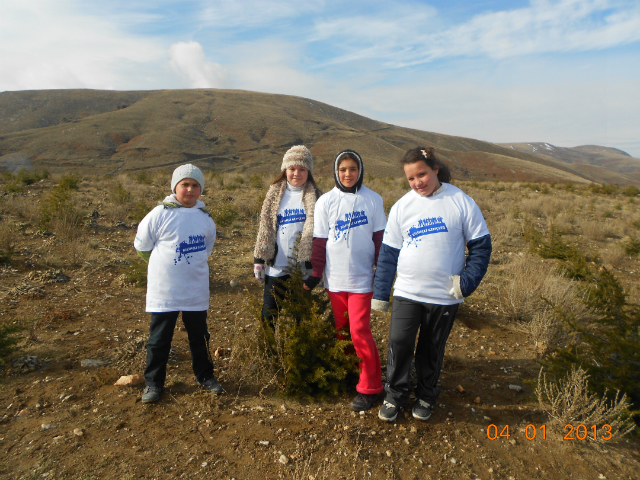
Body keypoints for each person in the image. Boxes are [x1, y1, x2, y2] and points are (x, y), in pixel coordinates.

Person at [372, 147, 492, 422]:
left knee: (431, 348)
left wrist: (466, 283)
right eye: (411, 179)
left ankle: (426, 395)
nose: (418, 183)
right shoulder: (403, 206)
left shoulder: (460, 201)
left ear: (435, 169)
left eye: (422, 174)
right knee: (399, 343)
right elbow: (389, 254)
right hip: (407, 292)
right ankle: (395, 395)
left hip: (445, 295)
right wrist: (381, 292)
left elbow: (481, 247)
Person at [303, 150, 387, 412]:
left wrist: (382, 275)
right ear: (336, 173)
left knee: (359, 331)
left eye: (352, 169)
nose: (348, 174)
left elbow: (380, 241)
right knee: (342, 331)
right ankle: (350, 374)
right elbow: (320, 242)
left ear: (360, 170)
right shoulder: (326, 201)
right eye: (342, 170)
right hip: (335, 279)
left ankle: (370, 387)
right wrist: (316, 273)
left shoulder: (373, 200)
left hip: (362, 279)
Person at [134, 164, 222, 404]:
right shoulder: (160, 214)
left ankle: (205, 377)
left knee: (199, 336)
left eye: (195, 185)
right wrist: (161, 267)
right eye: (185, 184)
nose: (190, 190)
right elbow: (142, 246)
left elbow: (206, 251)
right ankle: (153, 383)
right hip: (165, 291)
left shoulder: (205, 219)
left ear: (200, 189)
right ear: (175, 187)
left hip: (195, 289)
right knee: (159, 339)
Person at [253, 145, 322, 325]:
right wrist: (259, 260)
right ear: (285, 170)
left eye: (302, 169)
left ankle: (299, 353)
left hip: (303, 270)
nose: (296, 174)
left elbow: (321, 235)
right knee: (269, 316)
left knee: (301, 319)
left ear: (309, 171)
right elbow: (265, 227)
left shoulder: (317, 197)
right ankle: (269, 352)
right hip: (277, 267)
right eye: (292, 169)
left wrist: (319, 267)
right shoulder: (274, 194)